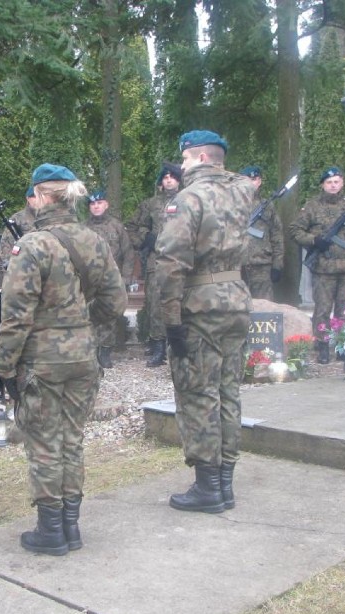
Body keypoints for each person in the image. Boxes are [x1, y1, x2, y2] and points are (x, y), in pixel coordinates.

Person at [0, 163, 127, 555]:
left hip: (42, 361)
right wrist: (81, 325)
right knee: (71, 439)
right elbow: (115, 302)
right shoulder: (94, 240)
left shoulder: (33, 245)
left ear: (40, 196)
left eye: (32, 195)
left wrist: (3, 367)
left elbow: (16, 315)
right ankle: (71, 527)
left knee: (45, 443)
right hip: (84, 357)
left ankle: (51, 531)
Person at [156, 130, 253, 514]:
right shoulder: (242, 193)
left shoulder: (188, 199)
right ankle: (225, 483)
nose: (179, 166)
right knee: (229, 391)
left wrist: (170, 319)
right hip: (236, 300)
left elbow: (170, 262)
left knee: (199, 394)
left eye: (183, 159)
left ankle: (208, 487)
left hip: (200, 305)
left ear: (198, 158)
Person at [290, 167, 345, 364]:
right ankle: (322, 346)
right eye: (329, 182)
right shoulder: (312, 207)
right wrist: (314, 240)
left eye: (336, 181)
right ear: (323, 185)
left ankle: (342, 345)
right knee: (323, 310)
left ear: (342, 183)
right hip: (323, 268)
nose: (333, 185)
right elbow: (295, 230)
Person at [126, 161, 182, 367]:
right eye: (165, 178)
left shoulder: (189, 201)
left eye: (172, 177)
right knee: (156, 304)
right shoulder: (150, 204)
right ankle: (158, 347)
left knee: (182, 302)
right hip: (156, 261)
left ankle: (180, 346)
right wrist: (146, 237)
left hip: (182, 260)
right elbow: (132, 227)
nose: (168, 181)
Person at [85, 190, 134, 368]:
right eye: (92, 204)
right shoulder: (83, 228)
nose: (96, 206)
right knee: (89, 314)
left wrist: (127, 276)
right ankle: (90, 352)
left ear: (106, 205)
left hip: (112, 278)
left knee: (109, 317)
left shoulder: (117, 226)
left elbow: (128, 252)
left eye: (99, 203)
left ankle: (105, 352)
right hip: (89, 279)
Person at [239, 166, 284, 301]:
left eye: (254, 179)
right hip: (236, 265)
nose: (251, 183)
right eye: (247, 180)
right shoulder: (232, 204)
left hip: (261, 265)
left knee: (264, 309)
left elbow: (277, 236)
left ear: (259, 181)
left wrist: (277, 264)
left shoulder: (267, 206)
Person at [0, 186, 38, 270]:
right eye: (34, 196)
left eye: (39, 196)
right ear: (28, 198)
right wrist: (11, 264)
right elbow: (6, 243)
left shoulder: (47, 217)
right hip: (23, 265)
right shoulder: (17, 218)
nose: (37, 199)